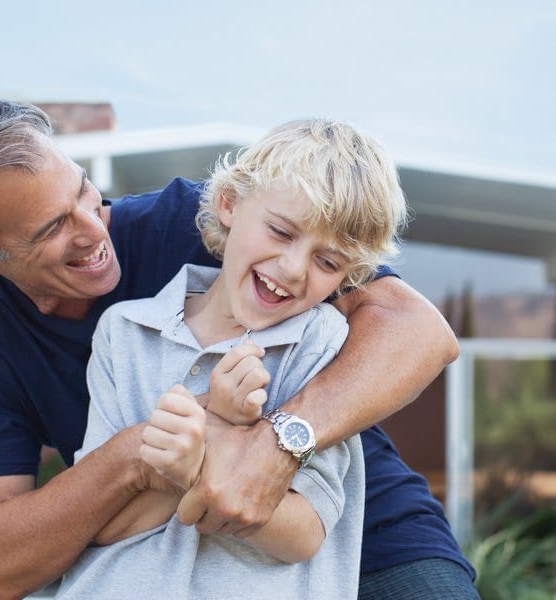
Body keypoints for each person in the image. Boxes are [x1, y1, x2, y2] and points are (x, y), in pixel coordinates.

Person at [0, 99, 477, 599]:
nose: (96, 230)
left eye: (84, 191)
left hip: (365, 530)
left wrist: (276, 443)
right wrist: (152, 451)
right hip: (158, 562)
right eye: (52, 228)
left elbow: (419, 330)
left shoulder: (198, 221)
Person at [59, 119, 405, 599]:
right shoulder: (125, 331)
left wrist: (194, 466)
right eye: (281, 232)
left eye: (328, 262)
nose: (293, 268)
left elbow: (304, 533)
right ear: (229, 204)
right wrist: (215, 430)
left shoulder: (323, 340)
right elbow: (103, 524)